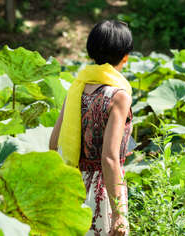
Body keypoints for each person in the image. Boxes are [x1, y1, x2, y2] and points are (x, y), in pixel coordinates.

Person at [49, 20, 134, 236]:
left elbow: (53, 143)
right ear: (125, 56)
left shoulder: (77, 88)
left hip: (73, 184)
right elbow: (109, 158)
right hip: (103, 190)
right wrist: (119, 214)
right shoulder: (118, 96)